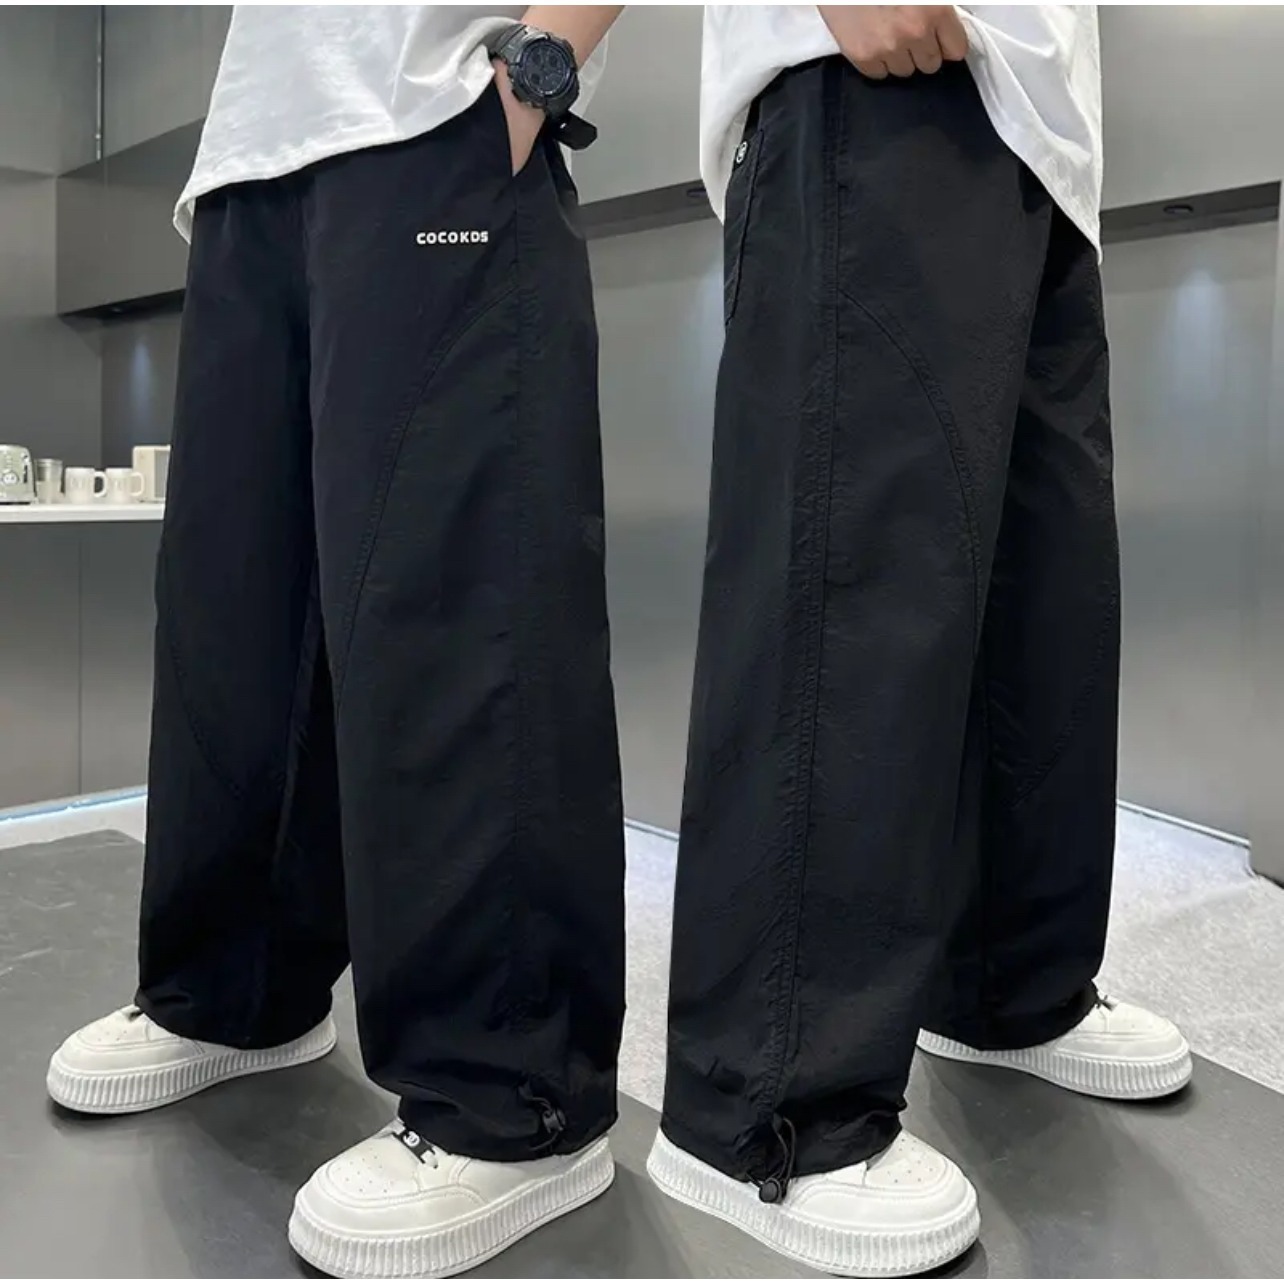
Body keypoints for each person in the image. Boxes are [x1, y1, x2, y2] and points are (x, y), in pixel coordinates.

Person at [45, 6, 627, 1277]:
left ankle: (515, 1095)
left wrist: (535, 75)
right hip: (251, 166)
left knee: (459, 612)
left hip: (437, 119)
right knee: (235, 615)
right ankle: (235, 992)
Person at [648, 5, 1192, 1276]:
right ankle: (762, 1107)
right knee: (855, 584)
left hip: (1043, 129)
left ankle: (1009, 988)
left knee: (1039, 604)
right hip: (865, 73)